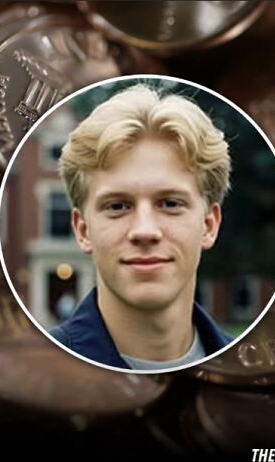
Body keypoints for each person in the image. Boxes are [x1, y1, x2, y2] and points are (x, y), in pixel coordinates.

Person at [50, 84, 233, 370]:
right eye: (118, 206)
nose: (145, 231)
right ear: (83, 230)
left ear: (209, 225)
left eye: (170, 203)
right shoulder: (26, 383)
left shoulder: (261, 383)